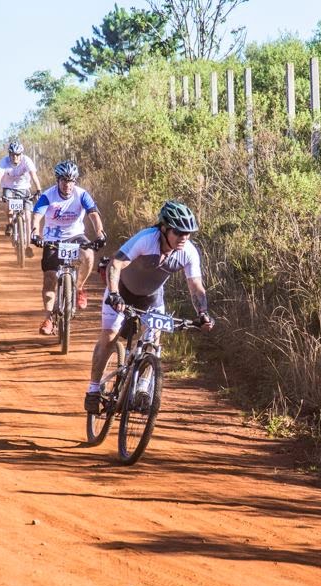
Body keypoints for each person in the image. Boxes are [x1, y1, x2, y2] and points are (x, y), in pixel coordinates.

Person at [84, 201, 214, 413]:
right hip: (122, 291)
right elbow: (116, 264)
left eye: (188, 233)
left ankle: (143, 389)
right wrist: (114, 294)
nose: (184, 237)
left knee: (152, 344)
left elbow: (196, 286)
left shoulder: (188, 252)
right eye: (178, 232)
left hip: (152, 298)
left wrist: (203, 313)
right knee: (109, 336)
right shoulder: (146, 239)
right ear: (164, 228)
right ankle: (93, 389)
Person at [30, 160, 105, 335]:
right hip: (53, 239)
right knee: (49, 279)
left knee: (88, 254)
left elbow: (93, 214)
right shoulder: (48, 196)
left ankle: (79, 288)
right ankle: (49, 318)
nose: (67, 185)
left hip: (75, 236)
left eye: (71, 181)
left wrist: (100, 233)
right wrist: (35, 233)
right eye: (64, 180)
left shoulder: (82, 194)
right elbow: (37, 216)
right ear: (58, 180)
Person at [0, 141, 41, 255]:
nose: (15, 157)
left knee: (28, 216)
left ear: (21, 154)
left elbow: (33, 175)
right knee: (8, 206)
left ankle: (28, 246)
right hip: (8, 188)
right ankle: (9, 224)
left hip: (24, 188)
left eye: (18, 154)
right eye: (13, 154)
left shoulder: (27, 161)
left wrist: (39, 190)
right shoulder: (4, 162)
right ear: (9, 154)